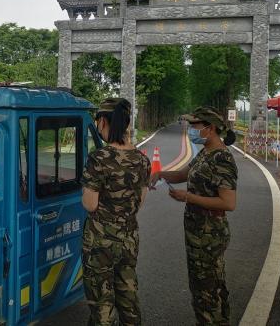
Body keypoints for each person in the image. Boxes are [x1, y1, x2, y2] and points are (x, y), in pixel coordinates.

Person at [151, 107, 237, 325]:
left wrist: (188, 197)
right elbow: (184, 173)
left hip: (209, 235)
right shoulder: (206, 152)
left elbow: (228, 203)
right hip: (197, 233)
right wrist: (160, 173)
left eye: (194, 125)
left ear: (210, 128)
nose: (190, 129)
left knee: (206, 290)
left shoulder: (222, 158)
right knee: (205, 285)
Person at [81, 98, 151, 325]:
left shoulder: (99, 158)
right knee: (128, 294)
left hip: (100, 242)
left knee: (102, 302)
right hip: (129, 238)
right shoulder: (142, 159)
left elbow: (90, 204)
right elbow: (140, 201)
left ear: (102, 121)